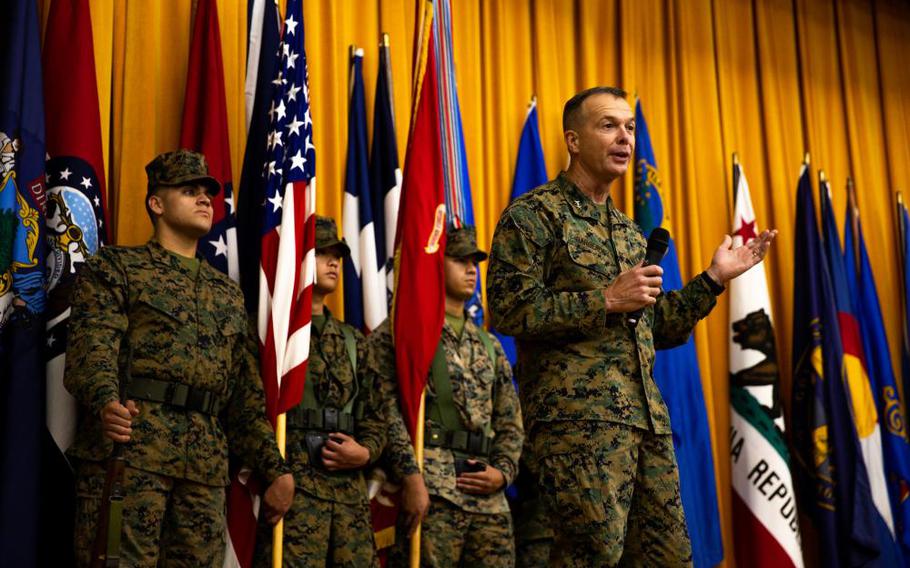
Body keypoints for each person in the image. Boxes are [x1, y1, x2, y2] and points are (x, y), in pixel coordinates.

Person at [486, 86, 777, 567]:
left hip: (645, 425)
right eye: (608, 125)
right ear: (573, 140)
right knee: (590, 558)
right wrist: (603, 299)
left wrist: (711, 280)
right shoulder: (533, 215)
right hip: (578, 427)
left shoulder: (626, 230)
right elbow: (510, 311)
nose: (624, 137)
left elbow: (654, 327)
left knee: (670, 559)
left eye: (630, 127)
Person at [65, 149, 294, 567]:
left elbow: (244, 398)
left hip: (204, 470)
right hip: (132, 456)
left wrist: (273, 467)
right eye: (189, 191)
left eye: (208, 192)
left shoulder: (226, 293)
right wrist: (105, 401)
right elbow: (92, 346)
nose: (206, 199)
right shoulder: (118, 268)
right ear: (157, 203)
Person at [369, 224, 524, 567]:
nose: (472, 270)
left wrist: (502, 472)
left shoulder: (490, 344)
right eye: (460, 260)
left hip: (489, 499)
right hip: (434, 489)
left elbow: (510, 422)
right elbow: (387, 411)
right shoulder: (403, 335)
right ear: (435, 265)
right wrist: (411, 477)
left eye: (475, 261)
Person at [254, 216, 387, 567]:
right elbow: (250, 412)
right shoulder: (274, 335)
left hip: (349, 498)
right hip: (295, 491)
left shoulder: (354, 340)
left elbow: (376, 414)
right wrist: (274, 472)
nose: (333, 262)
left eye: (338, 256)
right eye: (322, 253)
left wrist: (366, 452)